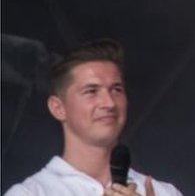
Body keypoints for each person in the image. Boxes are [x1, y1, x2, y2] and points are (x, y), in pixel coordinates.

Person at [4, 39, 181, 196]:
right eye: (91, 91)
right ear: (58, 108)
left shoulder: (163, 192)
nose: (109, 103)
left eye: (116, 90)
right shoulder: (31, 193)